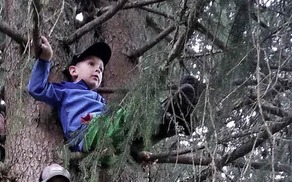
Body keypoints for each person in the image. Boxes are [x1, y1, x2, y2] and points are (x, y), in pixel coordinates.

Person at [28, 36, 202, 153]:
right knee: (127, 116)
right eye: (91, 63)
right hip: (88, 133)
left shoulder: (100, 100)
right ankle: (171, 109)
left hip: (110, 142)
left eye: (101, 69)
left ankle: (177, 121)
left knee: (141, 133)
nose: (97, 69)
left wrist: (139, 156)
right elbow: (37, 88)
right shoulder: (65, 91)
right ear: (73, 70)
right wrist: (45, 59)